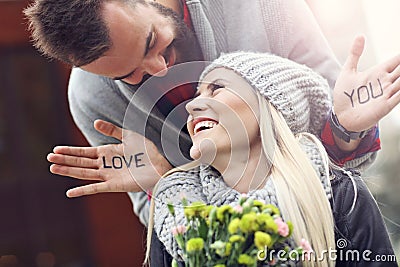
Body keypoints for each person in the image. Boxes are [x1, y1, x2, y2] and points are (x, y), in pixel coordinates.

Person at [26, 0, 396, 226]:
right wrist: (162, 183)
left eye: (151, 42)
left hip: (333, 226)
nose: (156, 70)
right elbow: (169, 233)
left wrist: (345, 128)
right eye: (129, 75)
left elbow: (352, 156)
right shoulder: (92, 98)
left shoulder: (262, 5)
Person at [47, 52, 398, 266]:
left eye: (218, 88)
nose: (194, 104)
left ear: (269, 108)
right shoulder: (171, 218)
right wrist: (161, 181)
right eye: (197, 93)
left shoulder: (340, 195)